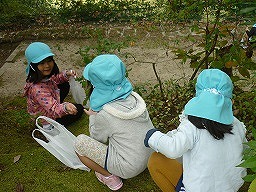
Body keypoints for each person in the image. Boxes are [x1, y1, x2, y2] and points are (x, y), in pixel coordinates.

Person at [144, 69, 247, 192]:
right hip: (231, 187)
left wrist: (153, 136)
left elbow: (173, 148)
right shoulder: (236, 124)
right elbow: (244, 151)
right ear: (230, 101)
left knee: (156, 160)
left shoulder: (192, 126)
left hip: (200, 188)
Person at [74, 54, 154, 191]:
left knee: (79, 143)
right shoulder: (135, 99)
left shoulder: (105, 114)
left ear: (94, 84)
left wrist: (93, 116)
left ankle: (110, 178)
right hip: (152, 156)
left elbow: (96, 138)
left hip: (128, 168)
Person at [23, 42, 84, 129]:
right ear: (33, 66)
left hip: (47, 105)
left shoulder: (43, 76)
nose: (47, 66)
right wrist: (65, 107)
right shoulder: (37, 90)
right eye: (42, 63)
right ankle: (49, 127)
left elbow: (56, 79)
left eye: (49, 61)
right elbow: (53, 109)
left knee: (64, 84)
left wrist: (66, 74)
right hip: (48, 120)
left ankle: (59, 105)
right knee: (79, 109)